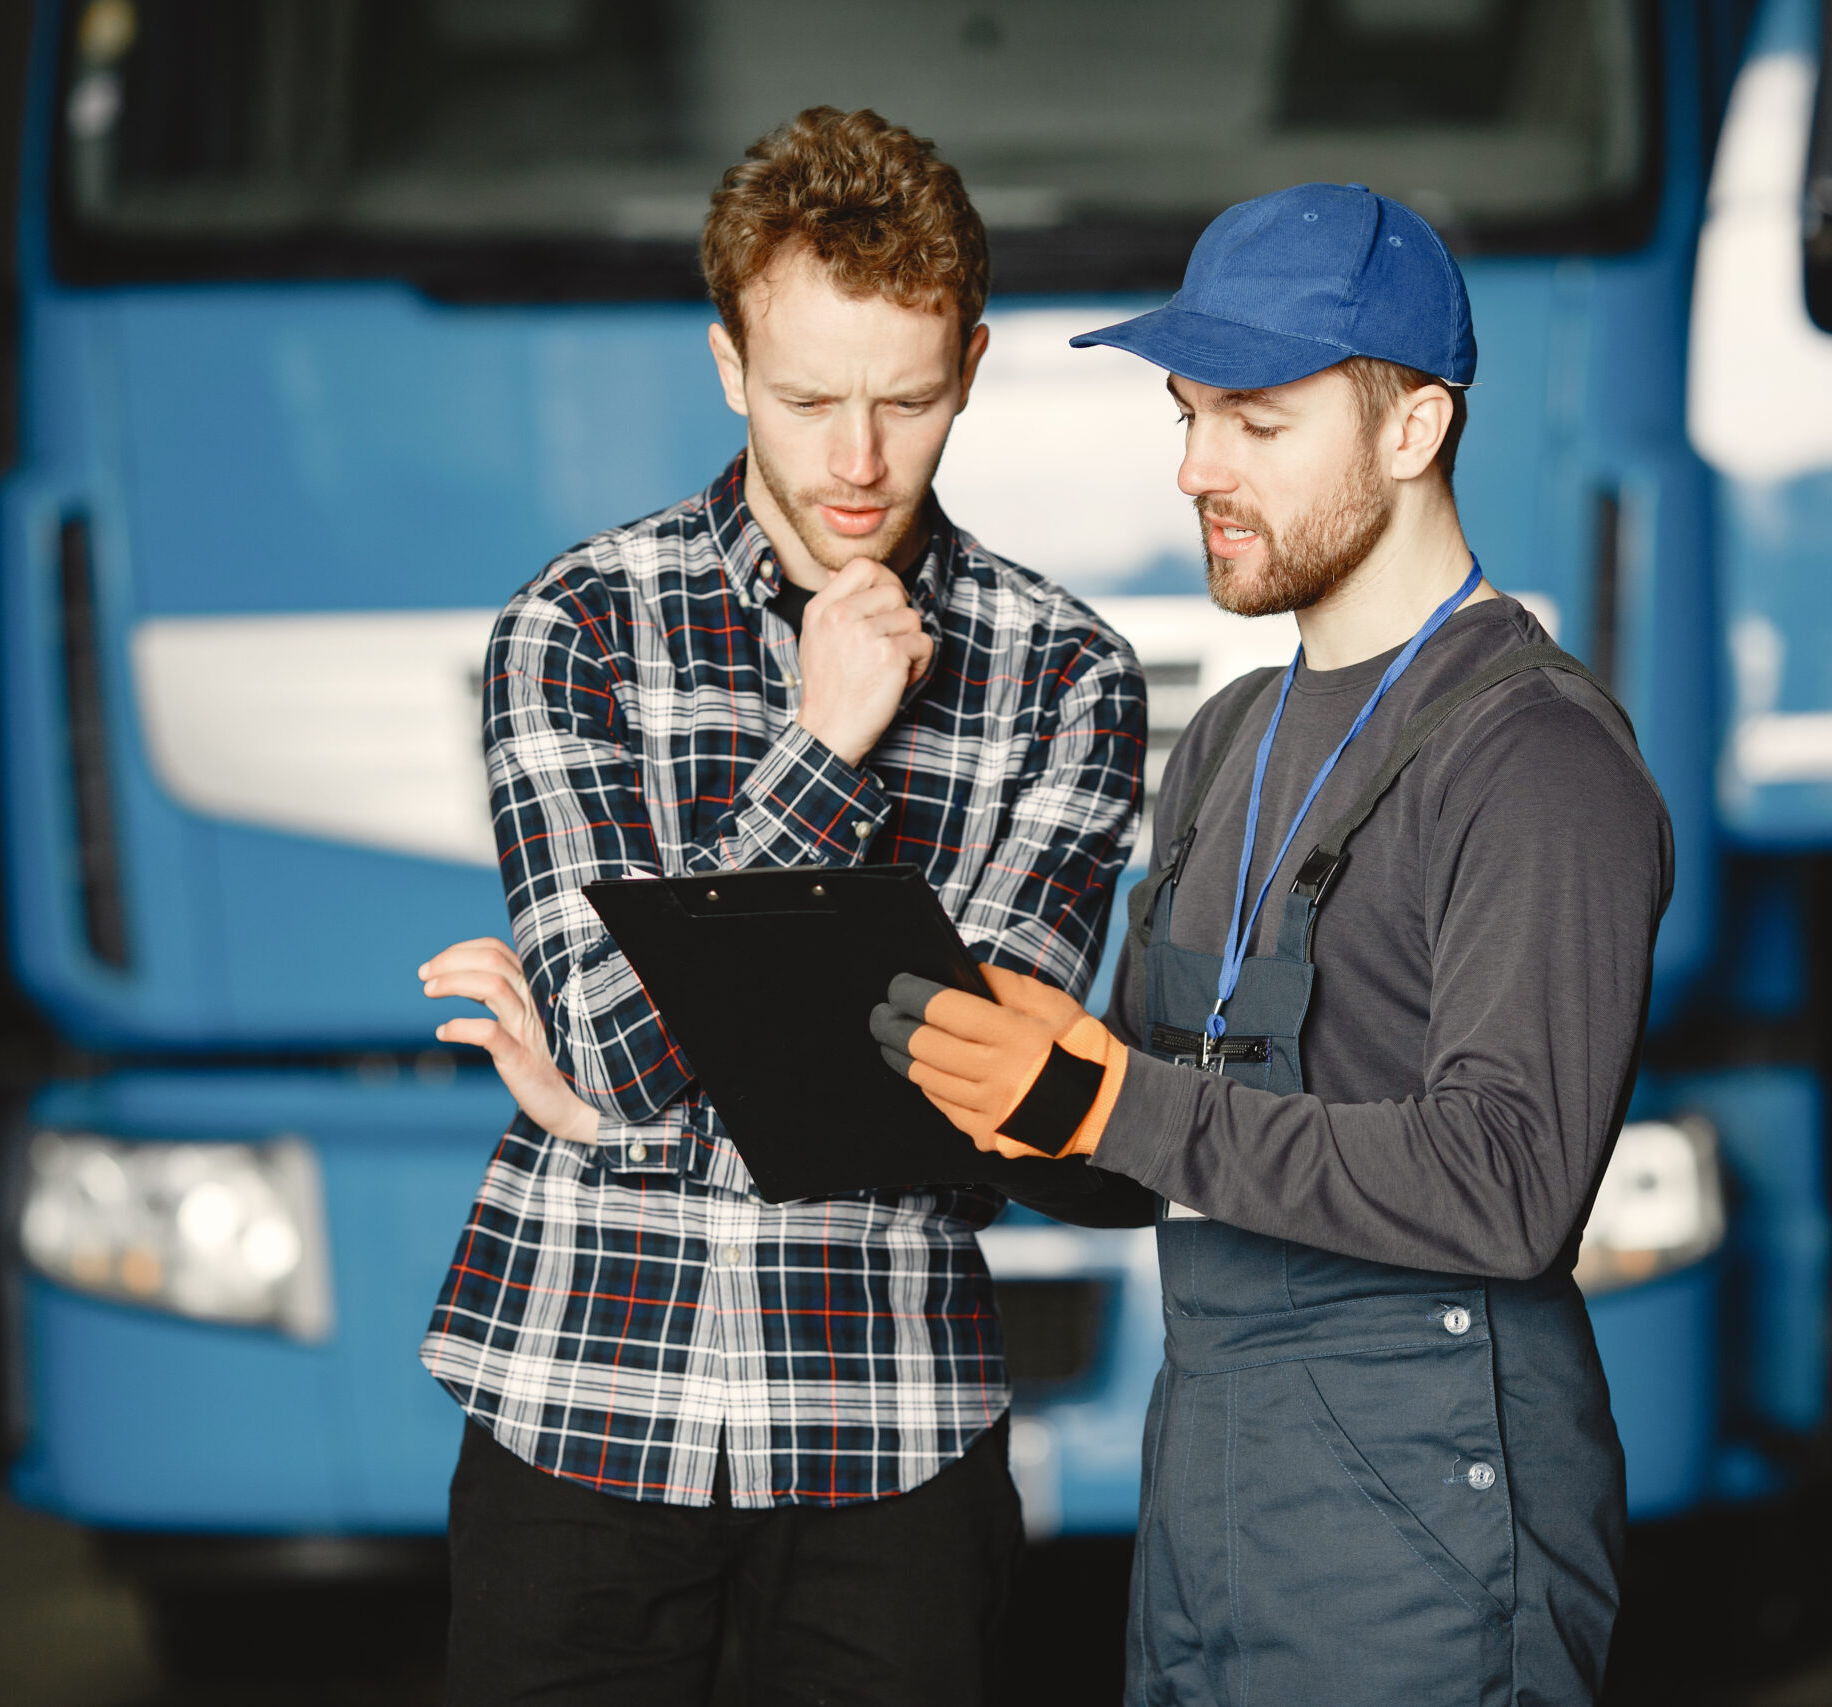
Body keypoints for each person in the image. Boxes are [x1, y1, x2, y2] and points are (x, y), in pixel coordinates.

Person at [873, 184, 1672, 1704]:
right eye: (1187, 416)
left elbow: (1510, 1189)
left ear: (1414, 431)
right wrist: (1004, 1097)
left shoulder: (1534, 760)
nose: (1193, 469)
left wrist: (1111, 1098)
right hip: (1211, 1513)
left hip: (1430, 1536)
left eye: (1254, 421)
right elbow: (1154, 1149)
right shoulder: (1233, 736)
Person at [411, 106, 1147, 1706]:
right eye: (809, 399)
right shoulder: (574, 628)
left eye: (907, 399)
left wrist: (640, 1086)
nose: (857, 461)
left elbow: (965, 1095)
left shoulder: (1067, 675)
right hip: (580, 1405)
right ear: (731, 365)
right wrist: (826, 743)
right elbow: (619, 1054)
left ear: (973, 365)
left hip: (893, 1427)